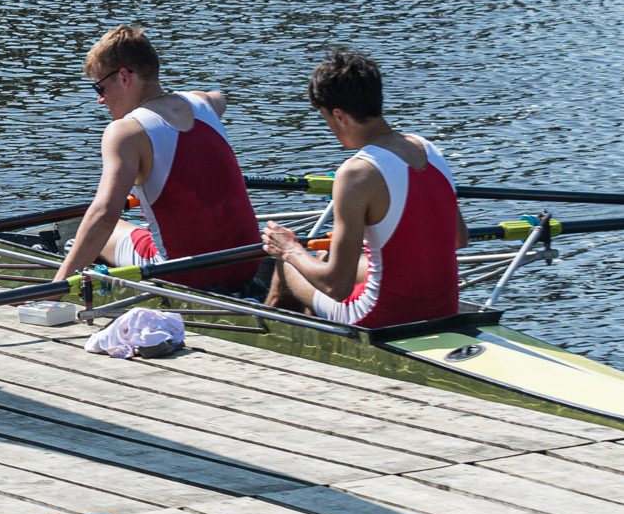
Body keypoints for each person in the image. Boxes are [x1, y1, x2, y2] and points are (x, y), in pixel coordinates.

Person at [49, 25, 261, 295]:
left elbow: (104, 214)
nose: (100, 100)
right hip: (248, 262)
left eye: (100, 87)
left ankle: (68, 271)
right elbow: (220, 98)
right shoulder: (203, 103)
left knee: (88, 226)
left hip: (182, 276)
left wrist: (58, 287)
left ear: (124, 77)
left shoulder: (125, 132)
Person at [261, 48, 465, 328]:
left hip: (378, 318)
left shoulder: (356, 173)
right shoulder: (429, 150)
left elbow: (336, 286)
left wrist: (289, 249)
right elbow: (457, 239)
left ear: (339, 115)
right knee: (325, 258)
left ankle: (266, 339)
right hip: (445, 309)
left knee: (286, 267)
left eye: (325, 118)